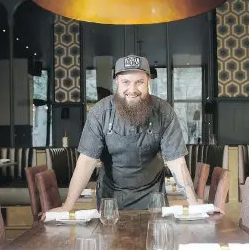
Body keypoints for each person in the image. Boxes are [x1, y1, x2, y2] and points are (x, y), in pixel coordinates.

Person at [49, 55, 198, 212]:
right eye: (126, 82)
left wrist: (194, 204)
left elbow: (177, 162)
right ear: (117, 82)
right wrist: (67, 206)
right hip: (110, 201)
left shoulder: (164, 112)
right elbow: (86, 161)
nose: (132, 90)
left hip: (154, 200)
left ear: (148, 81)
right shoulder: (100, 112)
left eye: (139, 82)